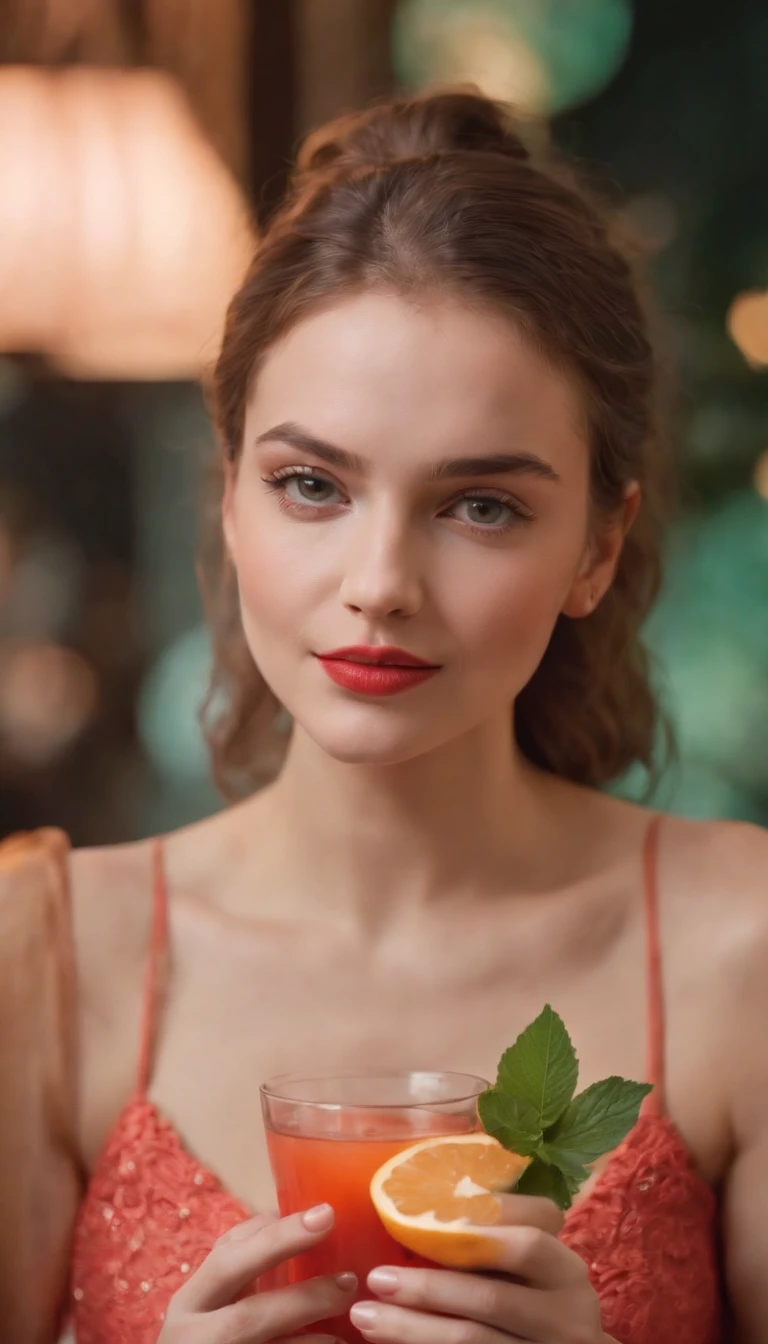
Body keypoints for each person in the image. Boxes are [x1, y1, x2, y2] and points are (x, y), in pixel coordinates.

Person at [1, 85, 766, 1344]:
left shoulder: (743, 946)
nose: (380, 586)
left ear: (597, 547)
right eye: (312, 485)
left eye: (481, 506)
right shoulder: (47, 959)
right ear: (232, 501)